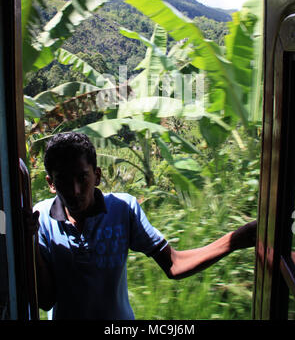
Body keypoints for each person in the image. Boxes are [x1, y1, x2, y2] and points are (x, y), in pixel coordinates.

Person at [25, 132, 257, 320]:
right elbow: (45, 299)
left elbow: (174, 264)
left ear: (97, 176)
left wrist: (236, 240)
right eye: (63, 180)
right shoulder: (42, 218)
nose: (75, 191)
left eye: (82, 178)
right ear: (51, 184)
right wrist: (31, 241)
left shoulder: (123, 209)